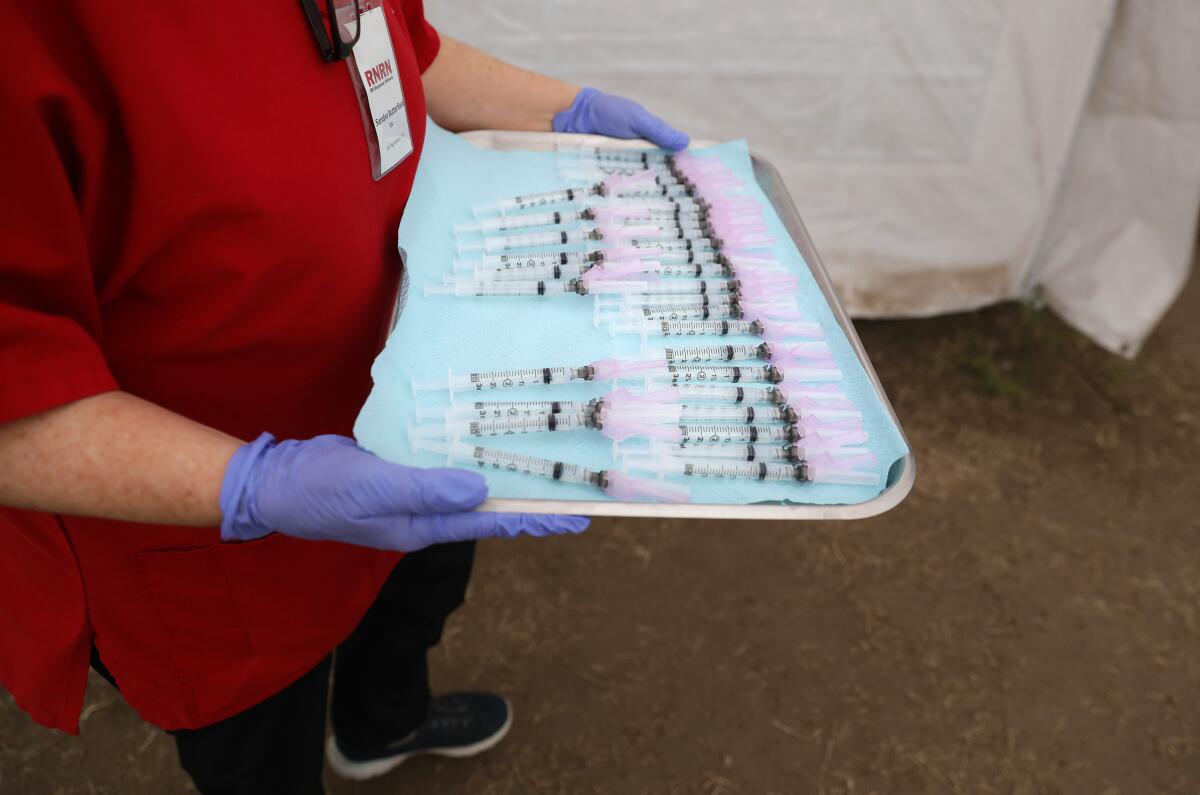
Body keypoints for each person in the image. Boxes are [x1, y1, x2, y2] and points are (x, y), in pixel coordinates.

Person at [0, 2, 689, 792]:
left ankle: (381, 723)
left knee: (414, 597)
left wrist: (560, 109)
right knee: (262, 747)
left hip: (417, 394)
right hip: (208, 513)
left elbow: (397, 54)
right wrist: (257, 486)